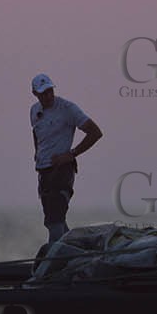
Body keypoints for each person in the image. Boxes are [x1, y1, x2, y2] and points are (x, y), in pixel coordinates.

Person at [29, 73, 103, 245]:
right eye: (43, 93)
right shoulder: (34, 111)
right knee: (53, 222)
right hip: (43, 172)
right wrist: (37, 152)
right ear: (35, 94)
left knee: (55, 220)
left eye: (49, 91)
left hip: (62, 171)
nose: (47, 96)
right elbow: (36, 132)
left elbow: (95, 132)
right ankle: (77, 251)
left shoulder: (68, 109)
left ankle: (52, 261)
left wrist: (71, 154)